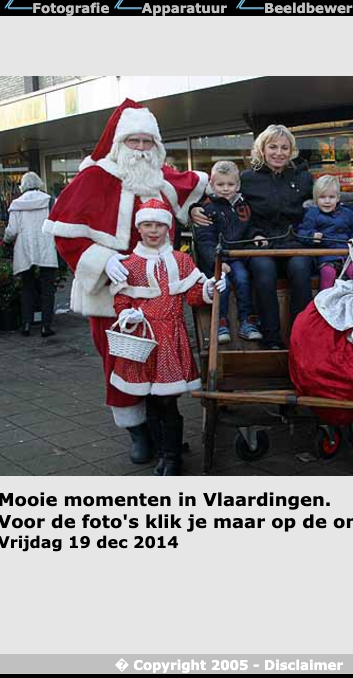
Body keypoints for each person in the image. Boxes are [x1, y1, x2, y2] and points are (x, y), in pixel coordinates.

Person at [44, 100, 208, 465]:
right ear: (119, 143)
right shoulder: (95, 177)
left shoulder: (159, 176)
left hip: (159, 296)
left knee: (161, 363)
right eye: (134, 141)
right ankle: (137, 431)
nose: (141, 149)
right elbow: (65, 236)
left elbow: (196, 188)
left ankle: (162, 433)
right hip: (109, 293)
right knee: (119, 361)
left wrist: (199, 208)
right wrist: (103, 260)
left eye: (148, 142)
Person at [109, 199, 225, 475]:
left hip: (171, 338)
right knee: (149, 399)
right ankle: (162, 452)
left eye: (159, 225)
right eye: (148, 225)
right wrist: (126, 315)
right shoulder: (130, 263)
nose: (153, 230)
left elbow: (194, 296)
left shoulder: (181, 260)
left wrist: (208, 289)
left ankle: (172, 457)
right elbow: (121, 300)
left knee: (167, 400)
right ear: (139, 228)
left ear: (168, 228)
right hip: (142, 340)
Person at [192, 124, 313, 350]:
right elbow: (222, 197)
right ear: (262, 149)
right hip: (259, 242)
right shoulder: (248, 178)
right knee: (263, 271)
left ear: (292, 151)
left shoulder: (303, 177)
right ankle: (271, 339)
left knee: (301, 268)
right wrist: (194, 208)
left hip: (293, 240)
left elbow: (329, 198)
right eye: (273, 147)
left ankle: (302, 337)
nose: (279, 152)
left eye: (284, 147)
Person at [193, 161, 261, 344]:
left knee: (243, 279)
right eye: (220, 184)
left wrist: (256, 235)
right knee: (221, 284)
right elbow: (205, 240)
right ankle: (221, 322)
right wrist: (217, 261)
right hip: (215, 259)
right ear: (211, 184)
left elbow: (249, 227)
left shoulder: (242, 206)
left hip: (236, 256)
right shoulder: (207, 208)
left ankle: (247, 321)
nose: (225, 189)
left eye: (230, 184)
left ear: (238, 185)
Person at [3, 171, 59, 337]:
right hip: (46, 247)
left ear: (23, 186)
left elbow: (12, 231)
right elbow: (57, 224)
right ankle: (46, 326)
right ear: (39, 183)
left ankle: (26, 324)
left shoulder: (16, 204)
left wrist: (6, 241)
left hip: (25, 249)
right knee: (48, 288)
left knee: (26, 287)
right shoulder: (50, 201)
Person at [297, 174, 353, 289]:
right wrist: (312, 236)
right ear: (316, 199)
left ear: (338, 198)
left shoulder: (347, 213)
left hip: (346, 254)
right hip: (325, 255)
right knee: (328, 273)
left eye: (331, 197)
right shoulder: (312, 214)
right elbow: (301, 232)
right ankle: (325, 297)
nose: (327, 201)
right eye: (322, 197)